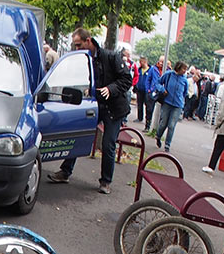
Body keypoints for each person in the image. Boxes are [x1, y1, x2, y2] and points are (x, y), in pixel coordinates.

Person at [45, 29, 128, 194]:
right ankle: (65, 172)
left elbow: (126, 79)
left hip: (113, 107)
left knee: (108, 144)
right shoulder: (83, 59)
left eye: (78, 45)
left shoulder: (111, 57)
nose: (76, 49)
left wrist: (110, 89)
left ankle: (105, 181)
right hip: (94, 104)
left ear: (88, 40)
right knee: (77, 134)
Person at [152, 61, 188, 150]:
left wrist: (181, 100)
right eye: (183, 69)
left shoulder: (184, 80)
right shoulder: (168, 75)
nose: (185, 71)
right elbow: (158, 83)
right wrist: (162, 89)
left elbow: (185, 92)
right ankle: (158, 136)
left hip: (177, 105)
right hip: (167, 102)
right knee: (163, 123)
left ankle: (167, 144)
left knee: (171, 125)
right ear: (178, 68)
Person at [138, 57, 161, 127]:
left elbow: (154, 81)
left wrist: (151, 90)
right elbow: (148, 80)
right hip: (142, 90)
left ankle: (149, 124)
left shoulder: (152, 69)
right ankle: (143, 121)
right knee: (141, 105)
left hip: (152, 92)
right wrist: (148, 89)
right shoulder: (153, 69)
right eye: (160, 61)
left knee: (149, 108)